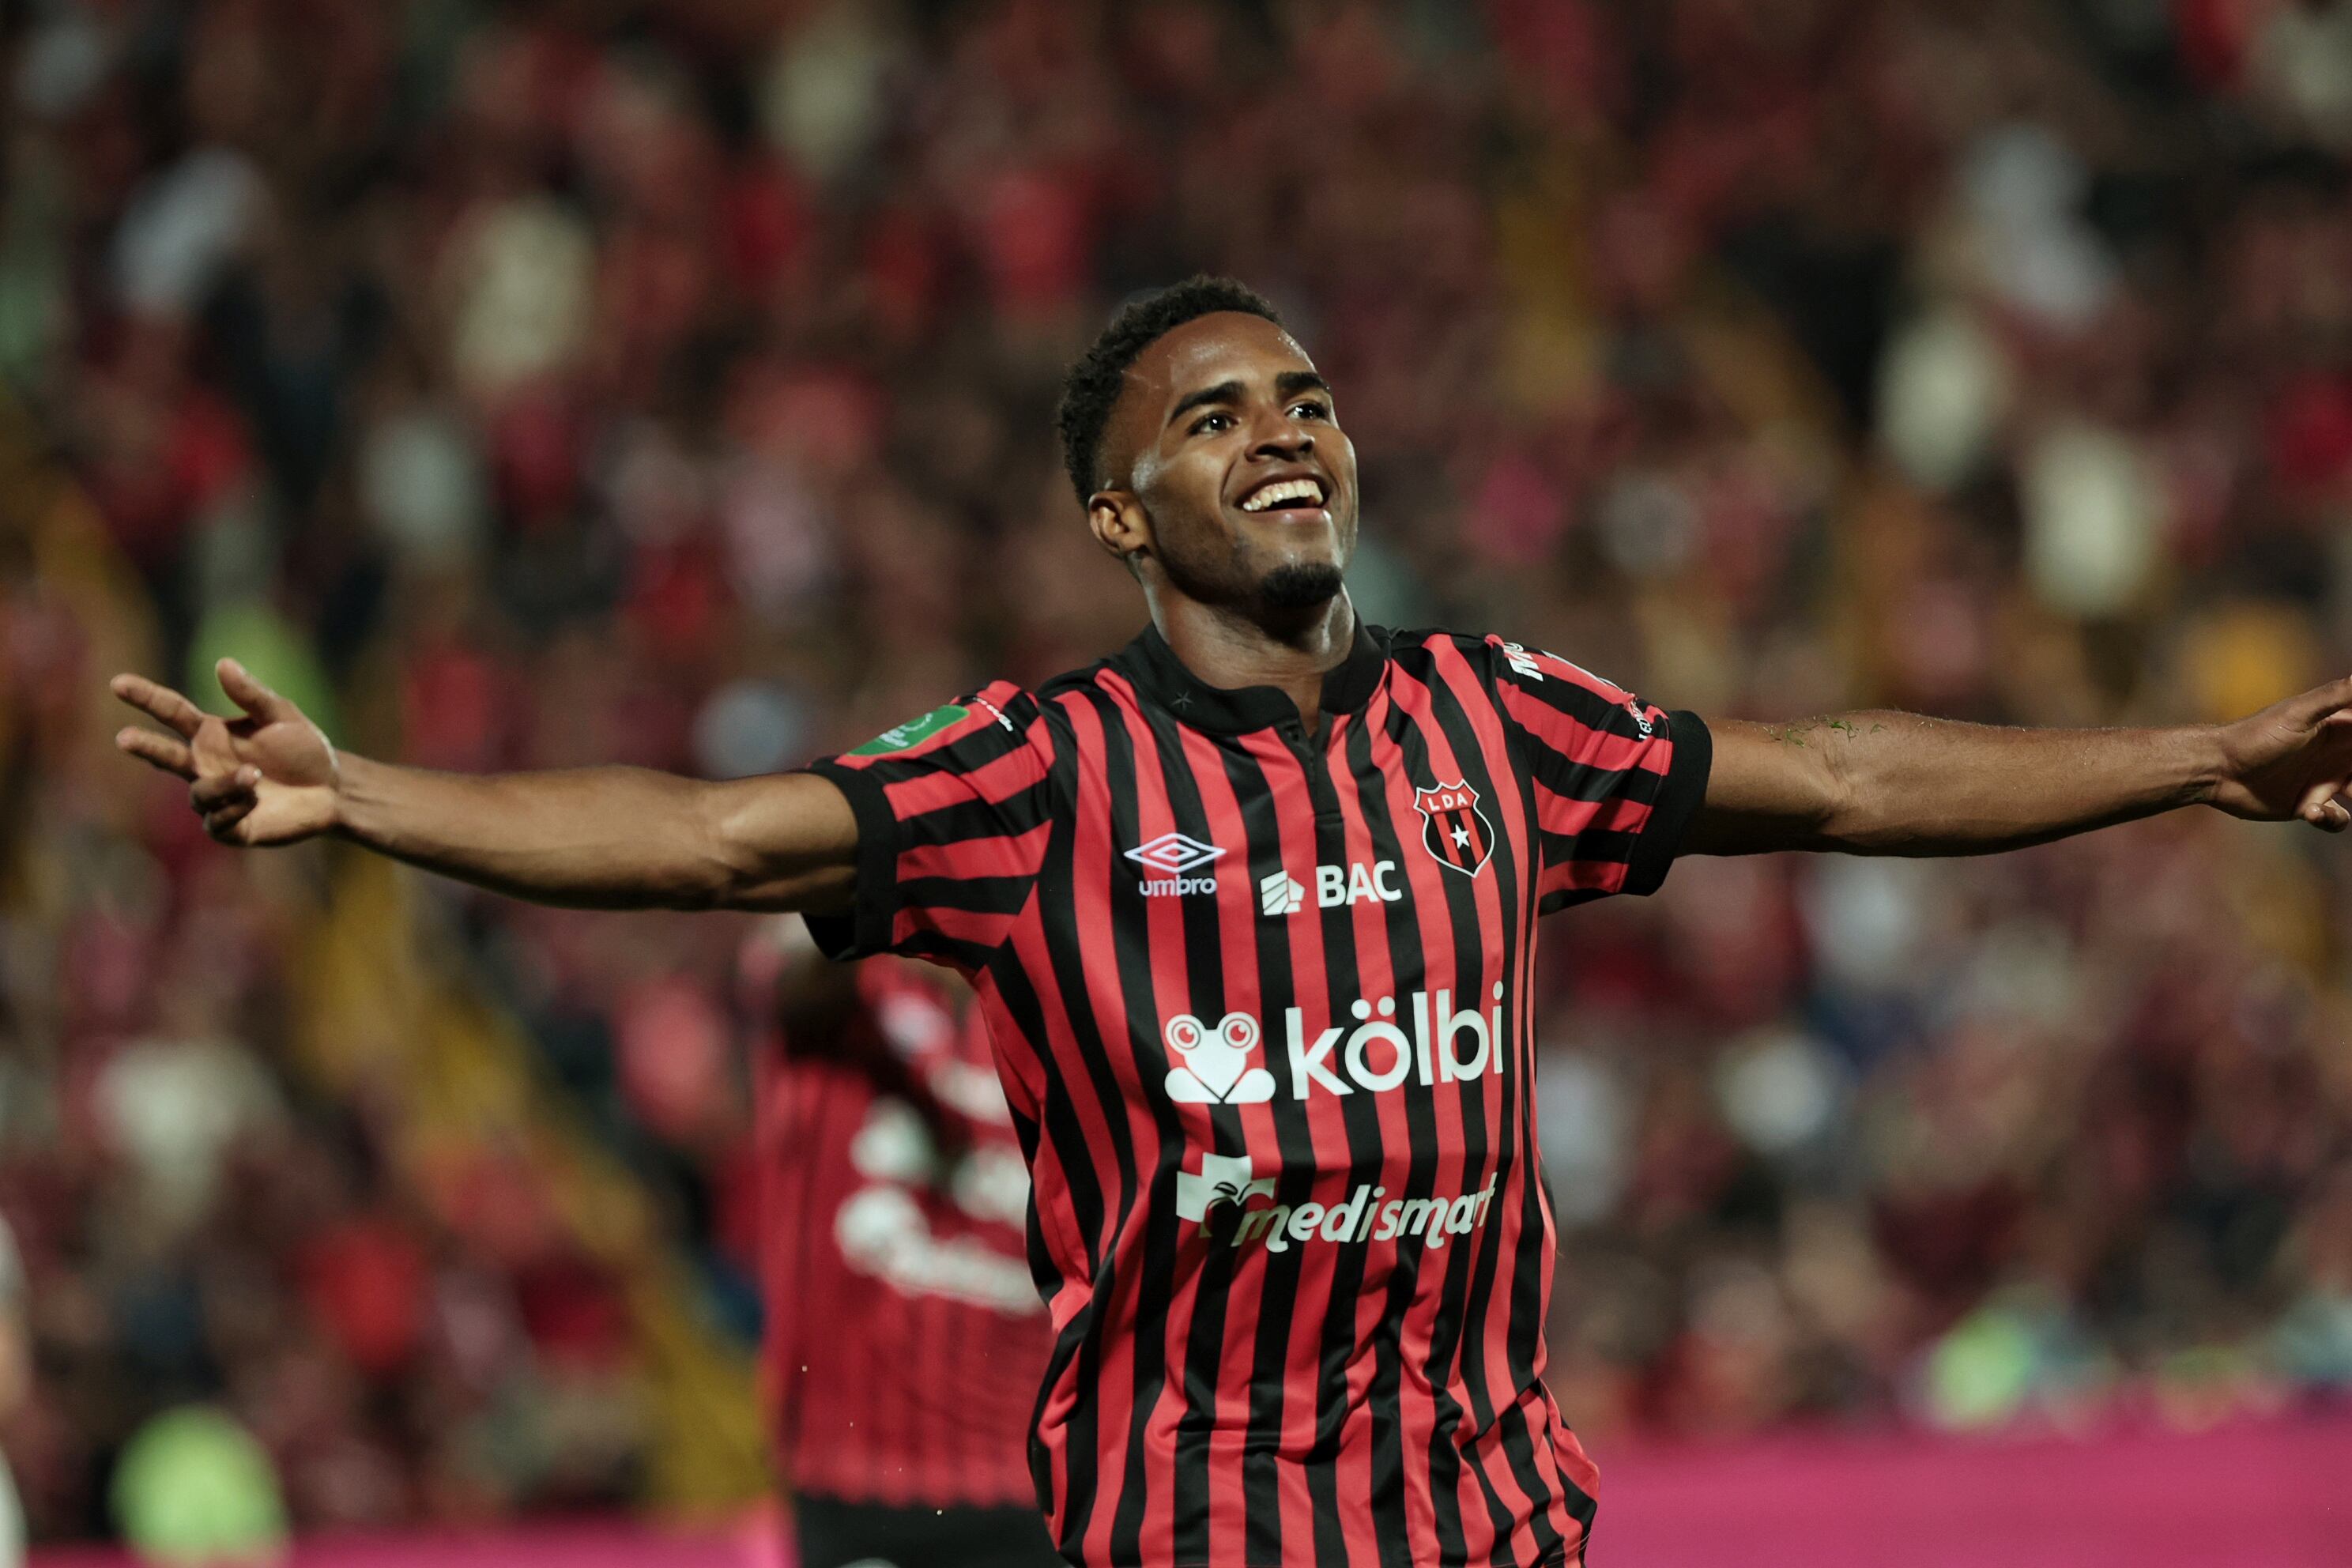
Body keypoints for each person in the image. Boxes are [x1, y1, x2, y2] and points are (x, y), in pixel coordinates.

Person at [110, 277, 2352, 1568]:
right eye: (1214, 417)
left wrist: (2201, 760)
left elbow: (1845, 774)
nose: (1286, 435)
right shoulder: (1034, 774)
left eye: (1306, 400)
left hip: (1496, 1531)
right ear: (1120, 509)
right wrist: (366, 792)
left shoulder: (1504, 718)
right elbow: (706, 841)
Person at [740, 922, 1057, 1568]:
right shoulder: (842, 995)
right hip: (857, 1486)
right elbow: (794, 971)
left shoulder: (1067, 1015)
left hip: (1027, 1483)